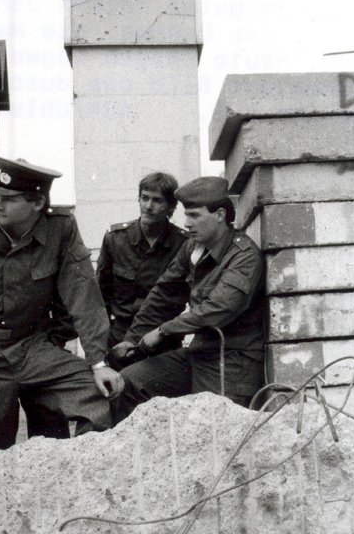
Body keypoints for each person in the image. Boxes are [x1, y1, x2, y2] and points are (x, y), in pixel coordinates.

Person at [0, 157, 120, 449]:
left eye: (10, 199)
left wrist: (98, 362)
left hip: (30, 348)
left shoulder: (61, 229)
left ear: (37, 203)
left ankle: (78, 475)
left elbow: (83, 294)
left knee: (94, 391)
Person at [110, 176, 266, 421]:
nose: (187, 223)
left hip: (232, 361)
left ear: (220, 215)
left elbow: (218, 308)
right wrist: (133, 339)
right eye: (186, 215)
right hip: (200, 353)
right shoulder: (193, 247)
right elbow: (163, 295)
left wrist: (164, 331)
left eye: (194, 216)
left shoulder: (244, 256)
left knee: (211, 428)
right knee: (130, 382)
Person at [97, 172, 187, 351]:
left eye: (157, 200)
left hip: (161, 338)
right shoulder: (116, 239)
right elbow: (100, 294)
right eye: (144, 198)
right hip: (118, 335)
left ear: (171, 207)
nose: (148, 206)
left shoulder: (183, 244)